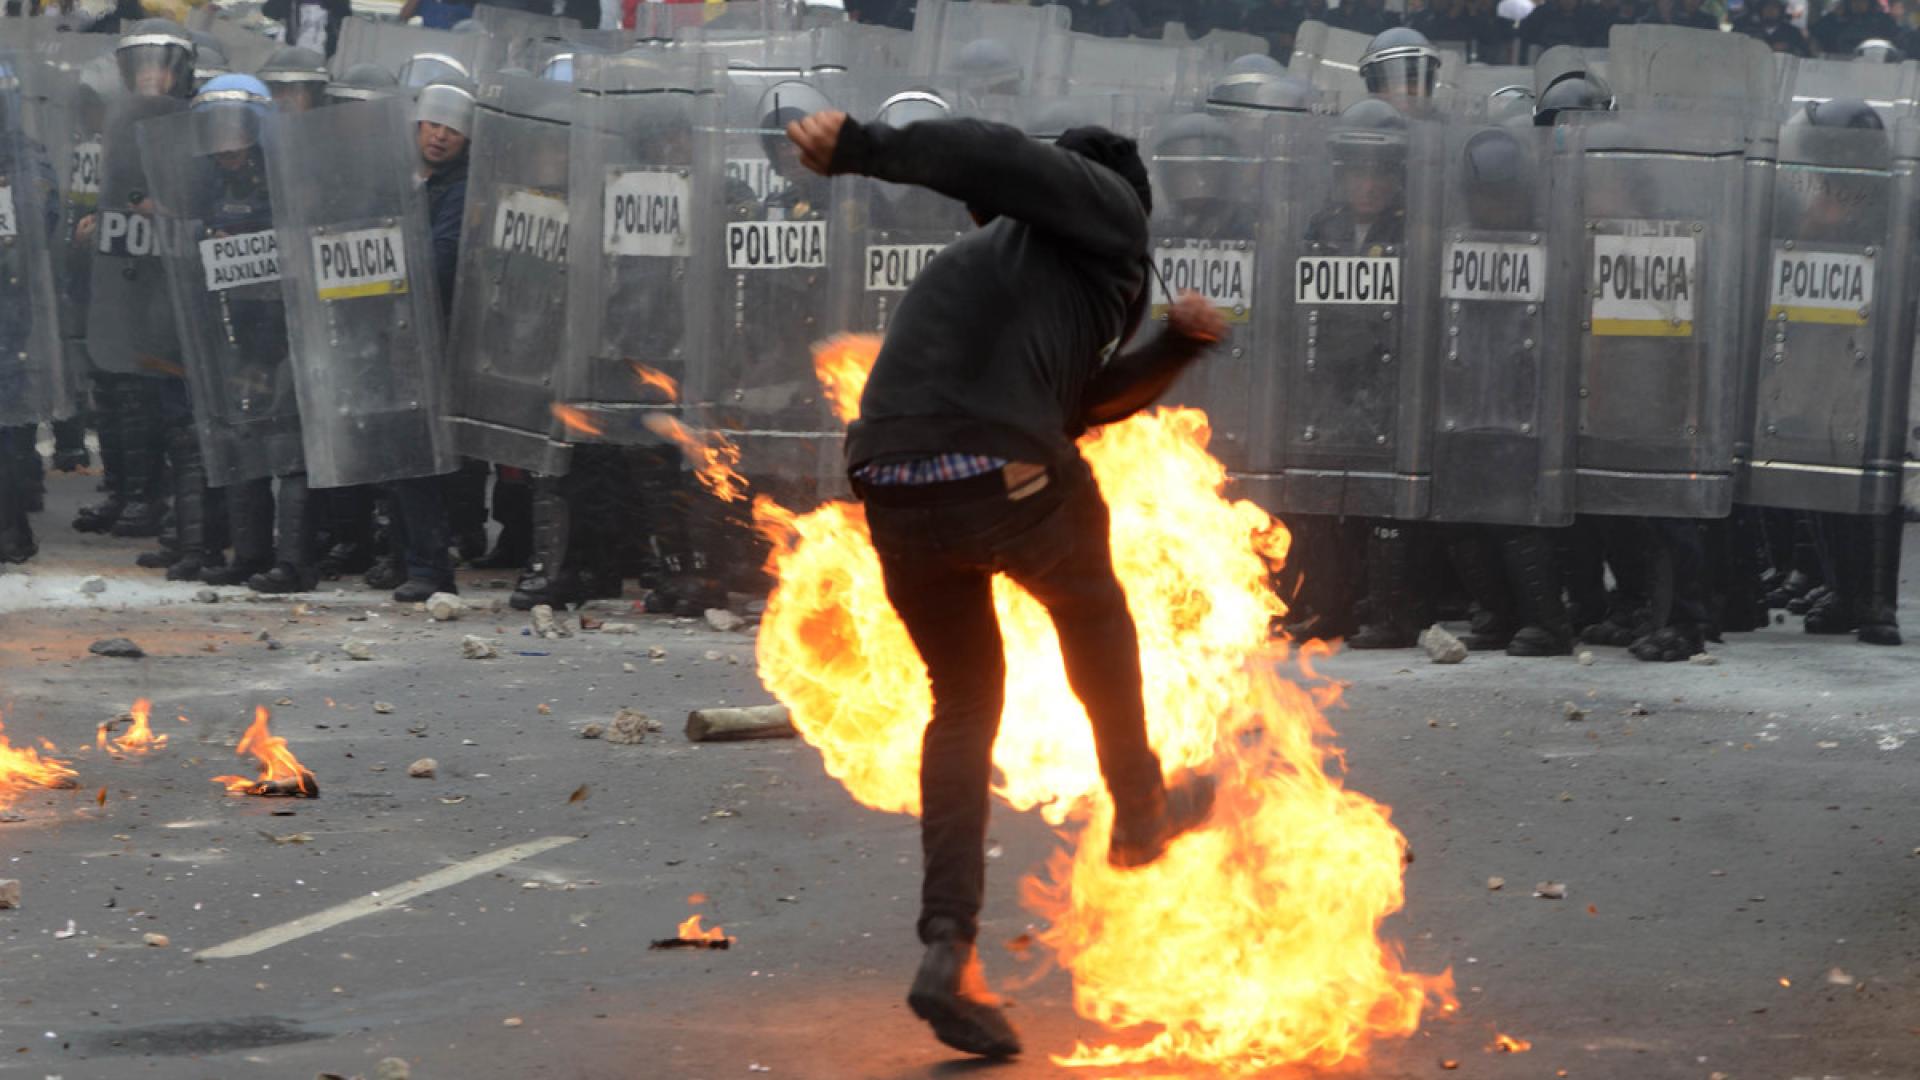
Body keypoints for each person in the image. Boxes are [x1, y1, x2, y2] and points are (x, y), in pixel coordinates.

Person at [783, 106, 1223, 1059]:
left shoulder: (1012, 276)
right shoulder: (1107, 211)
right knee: (1092, 605)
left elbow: (1075, 405)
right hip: (997, 471)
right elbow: (999, 156)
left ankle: (948, 946)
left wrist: (1178, 348)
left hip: (891, 484)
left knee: (963, 702)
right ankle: (1140, 807)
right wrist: (865, 148)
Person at [374, 80, 470, 603]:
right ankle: (403, 557)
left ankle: (431, 568)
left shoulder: (460, 189)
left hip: (433, 335)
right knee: (396, 454)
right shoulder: (395, 179)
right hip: (387, 332)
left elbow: (440, 259)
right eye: (433, 124)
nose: (440, 136)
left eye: (453, 129)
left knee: (418, 455)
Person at [262, 0, 351, 57]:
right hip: (290, 49)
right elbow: (269, 10)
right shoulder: (288, 4)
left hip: (321, 50)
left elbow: (345, 13)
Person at [1736, 0, 1815, 52]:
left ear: (1782, 10)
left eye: (1775, 7)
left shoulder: (1792, 33)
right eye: (1766, 6)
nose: (1770, 10)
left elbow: (1805, 55)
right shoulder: (1748, 30)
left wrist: (1789, 48)